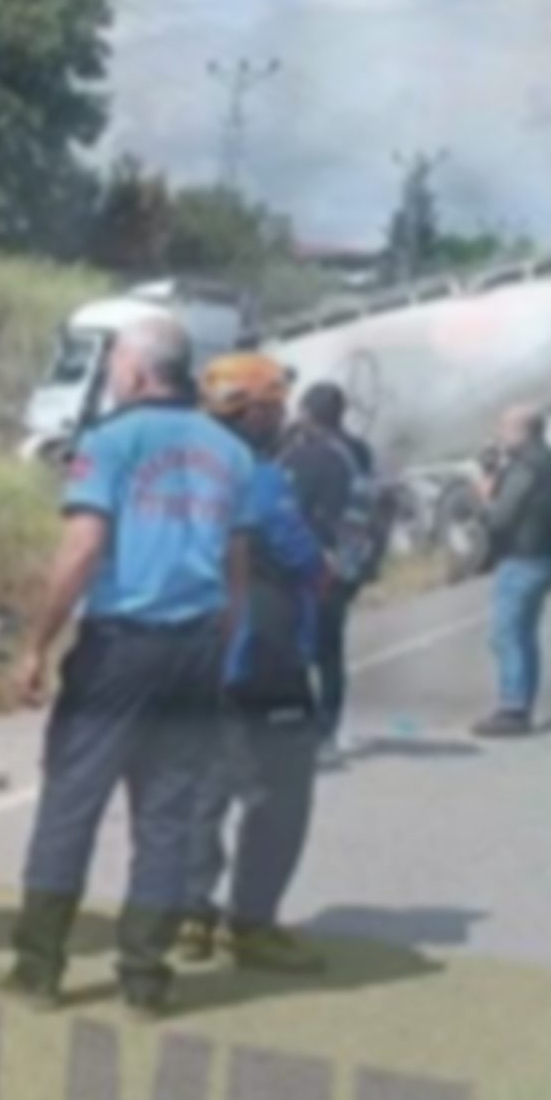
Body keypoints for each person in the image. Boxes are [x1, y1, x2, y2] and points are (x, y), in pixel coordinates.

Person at [0, 315, 257, 1020]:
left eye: (114, 363)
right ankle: (144, 976)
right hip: (195, 646)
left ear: (139, 372)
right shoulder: (230, 453)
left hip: (121, 647)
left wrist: (37, 643)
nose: (111, 374)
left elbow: (82, 549)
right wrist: (222, 649)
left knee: (72, 802)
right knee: (168, 814)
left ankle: (39, 967)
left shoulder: (110, 442)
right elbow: (237, 570)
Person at [180, 353, 331, 974]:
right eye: (277, 405)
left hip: (186, 654)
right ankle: (253, 922)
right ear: (259, 409)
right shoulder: (258, 476)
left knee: (201, 786)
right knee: (280, 794)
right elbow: (305, 562)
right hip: (260, 657)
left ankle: (187, 913)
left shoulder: (171, 467)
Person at [282, 381, 382, 758]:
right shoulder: (358, 450)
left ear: (307, 413)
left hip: (314, 562)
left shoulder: (309, 456)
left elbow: (292, 504)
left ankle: (310, 727)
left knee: (302, 648)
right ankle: (328, 726)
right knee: (330, 651)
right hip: (348, 561)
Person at [473, 406, 551, 739]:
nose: (499, 437)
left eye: (504, 430)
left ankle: (513, 708)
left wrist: (484, 501)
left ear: (522, 431)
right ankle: (520, 702)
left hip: (524, 556)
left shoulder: (526, 467)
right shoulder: (549, 459)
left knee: (507, 634)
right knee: (523, 633)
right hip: (545, 552)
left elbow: (502, 516)